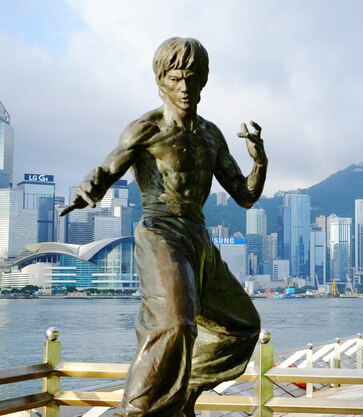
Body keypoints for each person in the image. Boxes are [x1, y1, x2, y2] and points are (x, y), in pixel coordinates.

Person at [61, 37, 268, 416]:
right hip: (161, 234)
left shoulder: (211, 136)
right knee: (173, 323)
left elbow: (245, 196)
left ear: (204, 80)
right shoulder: (146, 129)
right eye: (175, 78)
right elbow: (108, 169)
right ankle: (137, 411)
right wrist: (88, 189)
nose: (184, 88)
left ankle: (177, 397)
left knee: (242, 325)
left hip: (199, 238)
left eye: (192, 78)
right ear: (161, 81)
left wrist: (259, 161)